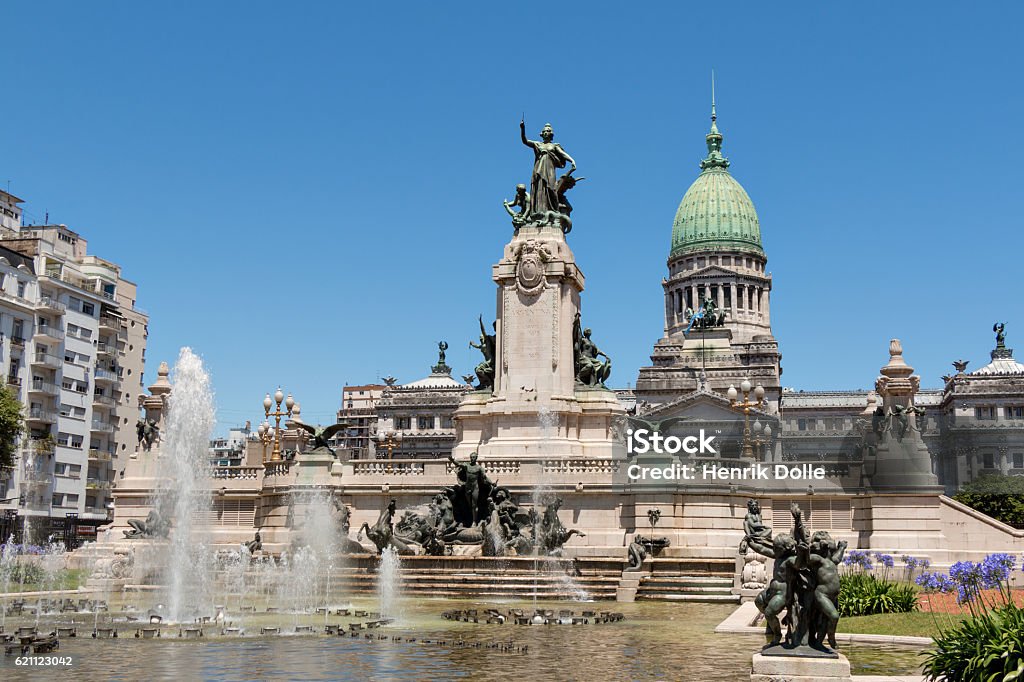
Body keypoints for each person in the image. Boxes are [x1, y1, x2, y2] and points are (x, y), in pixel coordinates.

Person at [520, 119, 576, 216]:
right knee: (538, 188)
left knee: (551, 189)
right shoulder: (538, 144)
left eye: (548, 131)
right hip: (538, 169)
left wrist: (572, 160)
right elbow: (525, 140)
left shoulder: (554, 146)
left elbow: (562, 154)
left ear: (551, 134)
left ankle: (553, 210)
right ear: (542, 134)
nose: (546, 133)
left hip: (549, 170)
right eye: (544, 131)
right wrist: (522, 128)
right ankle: (538, 211)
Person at [448, 452, 491, 524]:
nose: (472, 459)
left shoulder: (479, 468)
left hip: (475, 487)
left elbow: (485, 477)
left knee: (474, 505)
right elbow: (458, 464)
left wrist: (491, 483)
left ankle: (474, 521)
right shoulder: (467, 465)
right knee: (468, 504)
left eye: (473, 457)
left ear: (476, 458)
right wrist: (452, 460)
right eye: (471, 457)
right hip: (467, 487)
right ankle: (469, 517)